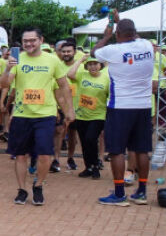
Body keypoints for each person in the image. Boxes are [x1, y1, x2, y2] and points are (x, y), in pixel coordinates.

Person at [0, 28, 75, 206]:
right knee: (21, 155)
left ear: (41, 40)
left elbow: (63, 86)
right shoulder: (17, 59)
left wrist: (69, 109)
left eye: (32, 40)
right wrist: (7, 68)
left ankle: (38, 185)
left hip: (45, 114)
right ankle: (22, 189)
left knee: (44, 155)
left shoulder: (52, 60)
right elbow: (4, 84)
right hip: (21, 114)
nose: (28, 44)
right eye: (25, 41)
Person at [92, 14, 157, 206]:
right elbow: (133, 37)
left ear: (118, 34)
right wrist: (120, 23)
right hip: (144, 105)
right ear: (135, 32)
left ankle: (119, 193)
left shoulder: (112, 50)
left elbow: (94, 52)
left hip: (120, 106)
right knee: (142, 149)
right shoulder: (146, 45)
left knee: (117, 151)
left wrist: (106, 36)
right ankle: (142, 192)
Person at [67, 53, 109, 179]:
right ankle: (88, 167)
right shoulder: (82, 75)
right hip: (81, 115)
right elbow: (70, 74)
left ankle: (96, 165)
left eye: (95, 64)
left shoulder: (106, 79)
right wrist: (80, 60)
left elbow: (110, 97)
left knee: (91, 139)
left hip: (98, 115)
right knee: (84, 142)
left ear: (100, 65)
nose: (93, 67)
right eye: (90, 64)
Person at [54, 38, 79, 171]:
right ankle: (56, 159)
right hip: (59, 105)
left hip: (76, 106)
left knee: (72, 134)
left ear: (74, 52)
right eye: (63, 51)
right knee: (58, 131)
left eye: (69, 51)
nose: (66, 54)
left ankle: (70, 157)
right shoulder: (56, 65)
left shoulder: (79, 67)